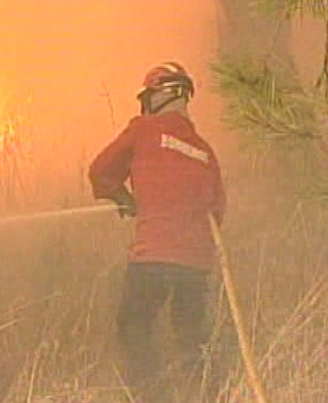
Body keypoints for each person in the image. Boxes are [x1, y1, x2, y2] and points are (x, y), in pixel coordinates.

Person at [88, 61, 227, 402]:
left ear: (162, 94)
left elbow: (100, 171)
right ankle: (209, 395)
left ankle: (152, 397)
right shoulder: (206, 152)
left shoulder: (143, 130)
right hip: (196, 263)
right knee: (192, 340)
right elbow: (217, 211)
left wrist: (124, 197)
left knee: (134, 327)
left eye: (148, 97)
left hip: (152, 257)